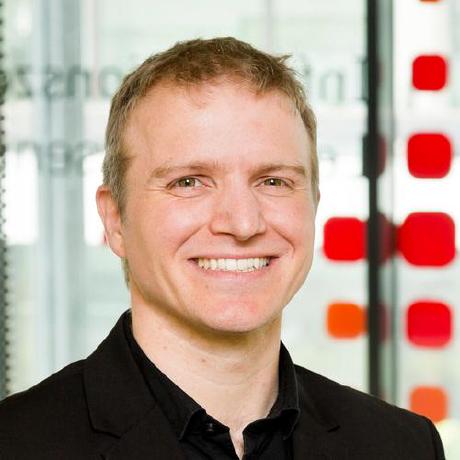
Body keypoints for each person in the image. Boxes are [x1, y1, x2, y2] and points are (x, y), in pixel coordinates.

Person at [0, 37, 445, 460]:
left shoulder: (402, 446)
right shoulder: (16, 444)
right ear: (115, 219)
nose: (242, 223)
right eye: (189, 182)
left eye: (274, 181)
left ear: (314, 204)